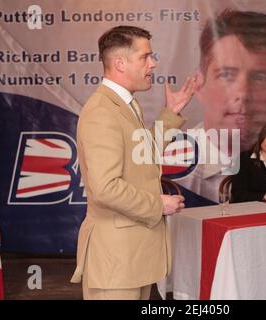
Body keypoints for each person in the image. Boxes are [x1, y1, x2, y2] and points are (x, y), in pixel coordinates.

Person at [70, 26, 196, 300]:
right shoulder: (102, 112)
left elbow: (143, 153)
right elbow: (105, 188)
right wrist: (158, 204)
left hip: (131, 260)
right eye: (145, 57)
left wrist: (170, 114)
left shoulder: (126, 105)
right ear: (120, 63)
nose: (154, 63)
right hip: (116, 263)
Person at [173, 9, 266, 203]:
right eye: (226, 75)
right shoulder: (173, 165)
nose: (243, 94)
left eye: (261, 78)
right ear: (199, 85)